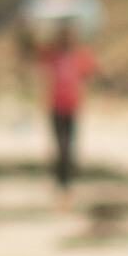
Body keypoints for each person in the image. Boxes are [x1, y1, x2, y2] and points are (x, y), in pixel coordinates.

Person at [32, 22, 98, 192]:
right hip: (55, 106)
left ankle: (67, 181)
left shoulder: (79, 55)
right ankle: (61, 182)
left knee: (69, 145)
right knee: (60, 145)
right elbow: (34, 50)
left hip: (72, 106)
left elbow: (90, 71)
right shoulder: (52, 55)